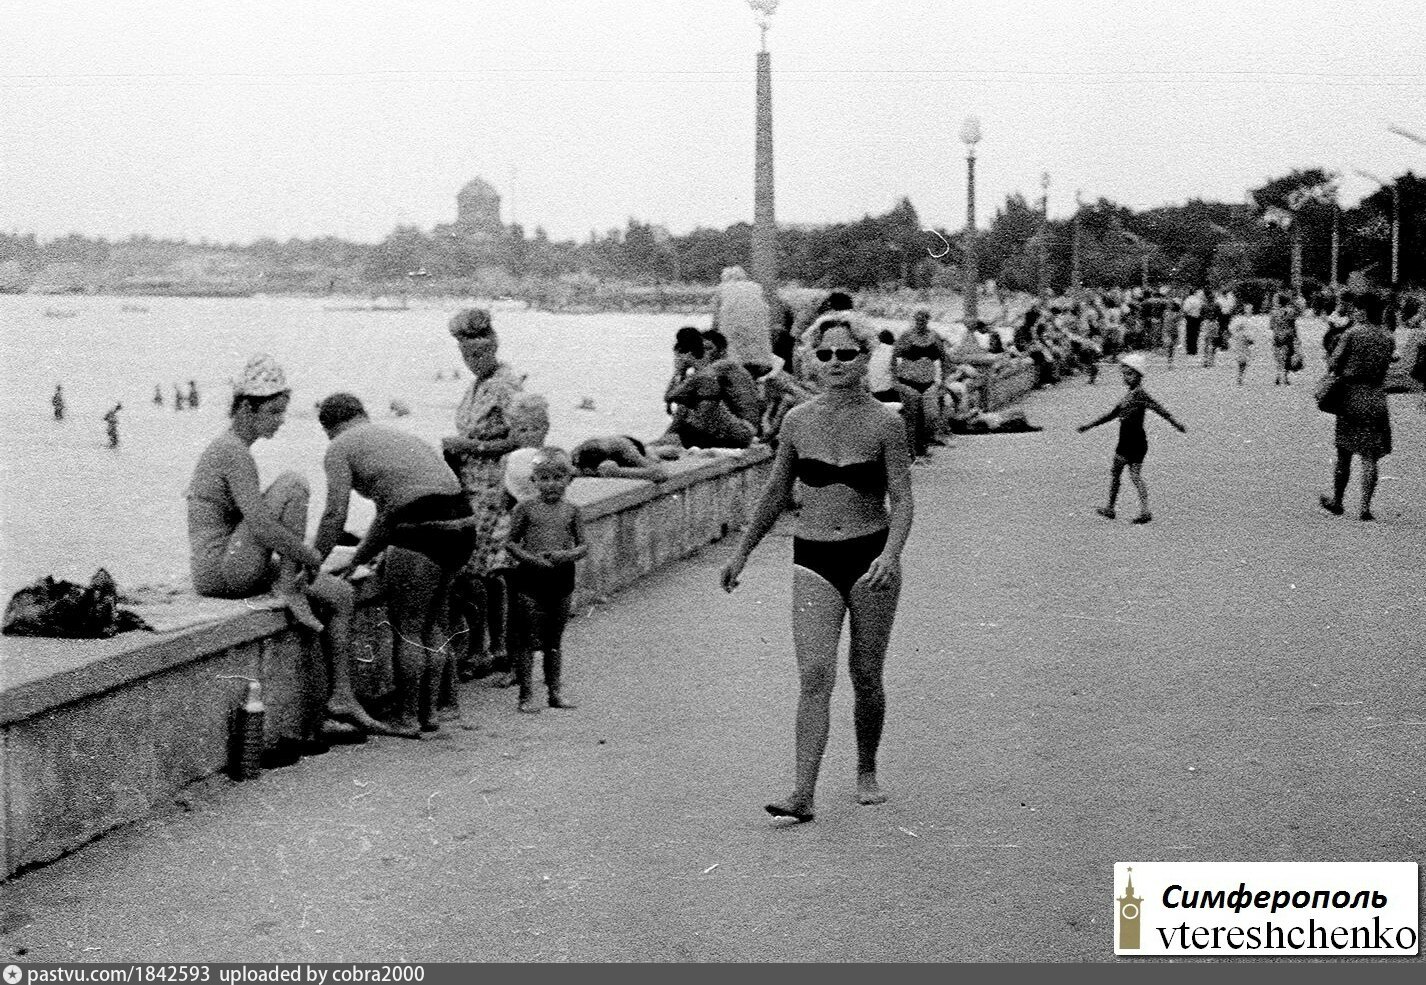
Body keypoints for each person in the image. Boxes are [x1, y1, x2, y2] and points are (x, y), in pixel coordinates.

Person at [720, 313, 914, 823]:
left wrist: (891, 555)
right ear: (812, 358)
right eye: (824, 355)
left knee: (866, 675)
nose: (833, 364)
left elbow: (903, 500)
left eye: (845, 355)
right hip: (813, 558)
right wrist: (741, 553)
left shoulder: (887, 423)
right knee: (814, 674)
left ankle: (866, 768)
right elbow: (774, 495)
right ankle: (803, 791)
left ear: (866, 357)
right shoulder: (797, 420)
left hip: (870, 555)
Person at [186, 354, 390, 736]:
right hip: (220, 572)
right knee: (294, 483)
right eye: (275, 411)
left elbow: (257, 526)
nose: (281, 420)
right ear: (248, 407)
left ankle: (340, 699)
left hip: (234, 567)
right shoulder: (230, 450)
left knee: (342, 594)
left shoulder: (236, 451)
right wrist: (308, 555)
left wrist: (303, 556)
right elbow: (262, 526)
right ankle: (291, 585)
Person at [313, 393, 477, 737]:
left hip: (421, 529)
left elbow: (334, 514)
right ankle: (430, 714)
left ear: (328, 427)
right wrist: (358, 557)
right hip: (462, 526)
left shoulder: (339, 447)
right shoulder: (398, 437)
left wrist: (313, 561)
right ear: (363, 414)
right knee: (435, 626)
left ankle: (406, 717)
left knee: (410, 630)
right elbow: (390, 513)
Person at [443, 308, 550, 684]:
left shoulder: (504, 384)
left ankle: (488, 649)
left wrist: (469, 445)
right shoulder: (477, 384)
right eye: (464, 353)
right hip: (473, 486)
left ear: (491, 347)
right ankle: (491, 648)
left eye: (476, 353)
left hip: (494, 488)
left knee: (482, 570)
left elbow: (525, 438)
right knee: (483, 571)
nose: (471, 360)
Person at [505, 448, 587, 714]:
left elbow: (583, 546)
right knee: (529, 640)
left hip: (561, 577)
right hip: (531, 578)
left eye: (557, 477)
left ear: (569, 479)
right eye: (544, 478)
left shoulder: (572, 511)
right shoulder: (525, 508)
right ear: (534, 480)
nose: (551, 483)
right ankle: (526, 695)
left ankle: (554, 692)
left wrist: (567, 554)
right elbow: (511, 543)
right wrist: (531, 560)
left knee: (554, 641)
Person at [1078, 353, 1187, 524]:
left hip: (1131, 440)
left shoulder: (1139, 394)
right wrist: (1089, 425)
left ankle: (1114, 508)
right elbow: (1112, 414)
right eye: (1124, 374)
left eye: (1129, 374)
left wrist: (1176, 423)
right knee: (1131, 474)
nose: (1125, 378)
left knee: (1120, 473)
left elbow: (1160, 409)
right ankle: (1138, 510)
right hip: (1133, 439)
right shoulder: (1131, 395)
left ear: (1139, 375)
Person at [1319, 293, 1395, 522]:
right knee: (1370, 455)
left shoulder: (1352, 334)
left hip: (1351, 396)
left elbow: (1334, 363)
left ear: (1362, 311)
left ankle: (1338, 501)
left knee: (1344, 452)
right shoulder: (1388, 337)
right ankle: (1364, 507)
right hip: (1376, 396)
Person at [891, 309, 950, 455]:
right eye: (918, 320)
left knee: (931, 415)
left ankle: (923, 444)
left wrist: (943, 381)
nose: (920, 323)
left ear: (927, 320)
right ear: (914, 320)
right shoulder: (907, 336)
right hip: (908, 380)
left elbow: (944, 359)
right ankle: (914, 450)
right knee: (912, 416)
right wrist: (894, 379)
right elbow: (893, 357)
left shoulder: (934, 336)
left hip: (928, 381)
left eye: (923, 319)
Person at [710, 265, 774, 378]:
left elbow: (715, 322)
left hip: (733, 340)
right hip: (760, 345)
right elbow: (767, 314)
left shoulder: (721, 289)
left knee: (732, 358)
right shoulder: (757, 288)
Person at [700, 329, 762, 429]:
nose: (703, 354)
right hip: (743, 425)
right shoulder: (726, 367)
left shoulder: (724, 366)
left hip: (743, 427)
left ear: (722, 350)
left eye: (708, 348)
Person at [571, 435, 670, 481]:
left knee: (653, 456)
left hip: (630, 445)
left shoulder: (624, 449)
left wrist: (619, 472)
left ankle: (653, 450)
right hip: (605, 447)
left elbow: (661, 474)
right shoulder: (577, 454)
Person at [1269, 293, 1301, 386]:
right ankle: (1286, 377)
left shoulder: (1274, 312)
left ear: (1279, 301)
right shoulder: (1291, 311)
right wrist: (1296, 337)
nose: (1274, 301)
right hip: (1289, 335)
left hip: (1278, 336)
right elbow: (1293, 325)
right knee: (1287, 356)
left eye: (1275, 299)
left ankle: (1279, 376)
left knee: (1279, 356)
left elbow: (1271, 326)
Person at [1229, 305, 1256, 386]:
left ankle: (1240, 376)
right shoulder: (1243, 319)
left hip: (1240, 341)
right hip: (1242, 340)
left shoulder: (1238, 319)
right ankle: (1240, 376)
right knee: (1243, 359)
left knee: (1242, 359)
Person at [1182, 288, 1206, 357]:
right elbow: (1202, 308)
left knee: (1189, 333)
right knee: (1196, 334)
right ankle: (1194, 349)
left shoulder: (1188, 300)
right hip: (1197, 318)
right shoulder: (1199, 300)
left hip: (1190, 317)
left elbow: (1185, 309)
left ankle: (1189, 349)